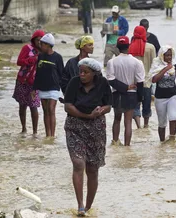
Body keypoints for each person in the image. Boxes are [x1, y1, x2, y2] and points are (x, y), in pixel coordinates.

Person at [64, 58, 112, 217]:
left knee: (92, 169)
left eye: (86, 72)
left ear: (94, 73)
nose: (82, 74)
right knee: (78, 163)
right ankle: (80, 205)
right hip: (75, 127)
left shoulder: (103, 83)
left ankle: (89, 207)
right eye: (81, 71)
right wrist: (86, 115)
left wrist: (100, 111)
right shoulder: (74, 82)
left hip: (96, 130)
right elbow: (68, 106)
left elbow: (108, 106)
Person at [106, 36, 145, 146]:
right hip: (131, 95)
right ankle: (127, 146)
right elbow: (140, 82)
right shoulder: (137, 62)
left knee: (117, 119)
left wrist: (124, 87)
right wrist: (140, 97)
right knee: (128, 122)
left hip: (117, 94)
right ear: (129, 46)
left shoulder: (112, 62)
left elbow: (111, 80)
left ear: (117, 47)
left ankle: (115, 142)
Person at [150, 46, 176, 142]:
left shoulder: (174, 66)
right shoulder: (156, 66)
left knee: (173, 117)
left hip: (173, 96)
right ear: (161, 55)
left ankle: (172, 140)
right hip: (160, 98)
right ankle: (162, 142)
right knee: (162, 123)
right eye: (166, 55)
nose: (168, 58)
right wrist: (165, 69)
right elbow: (154, 80)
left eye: (170, 55)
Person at [13, 30, 45, 135]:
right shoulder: (27, 48)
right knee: (22, 105)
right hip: (23, 81)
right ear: (34, 40)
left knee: (34, 106)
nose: (39, 42)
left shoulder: (45, 52)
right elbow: (19, 61)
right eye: (37, 40)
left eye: (41, 41)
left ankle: (35, 132)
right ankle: (23, 128)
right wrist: (30, 60)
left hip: (36, 83)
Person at [33, 33, 64, 137]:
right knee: (45, 110)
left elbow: (61, 73)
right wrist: (34, 88)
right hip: (42, 87)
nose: (40, 46)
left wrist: (64, 90)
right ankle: (48, 135)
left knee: (51, 109)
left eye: (42, 44)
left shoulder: (58, 57)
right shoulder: (40, 56)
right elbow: (37, 73)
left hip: (54, 87)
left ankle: (52, 135)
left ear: (48, 45)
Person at [129, 26, 156, 129]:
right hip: (147, 82)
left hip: (133, 82)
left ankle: (138, 126)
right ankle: (146, 125)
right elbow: (154, 64)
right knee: (147, 103)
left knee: (135, 104)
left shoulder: (130, 47)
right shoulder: (150, 47)